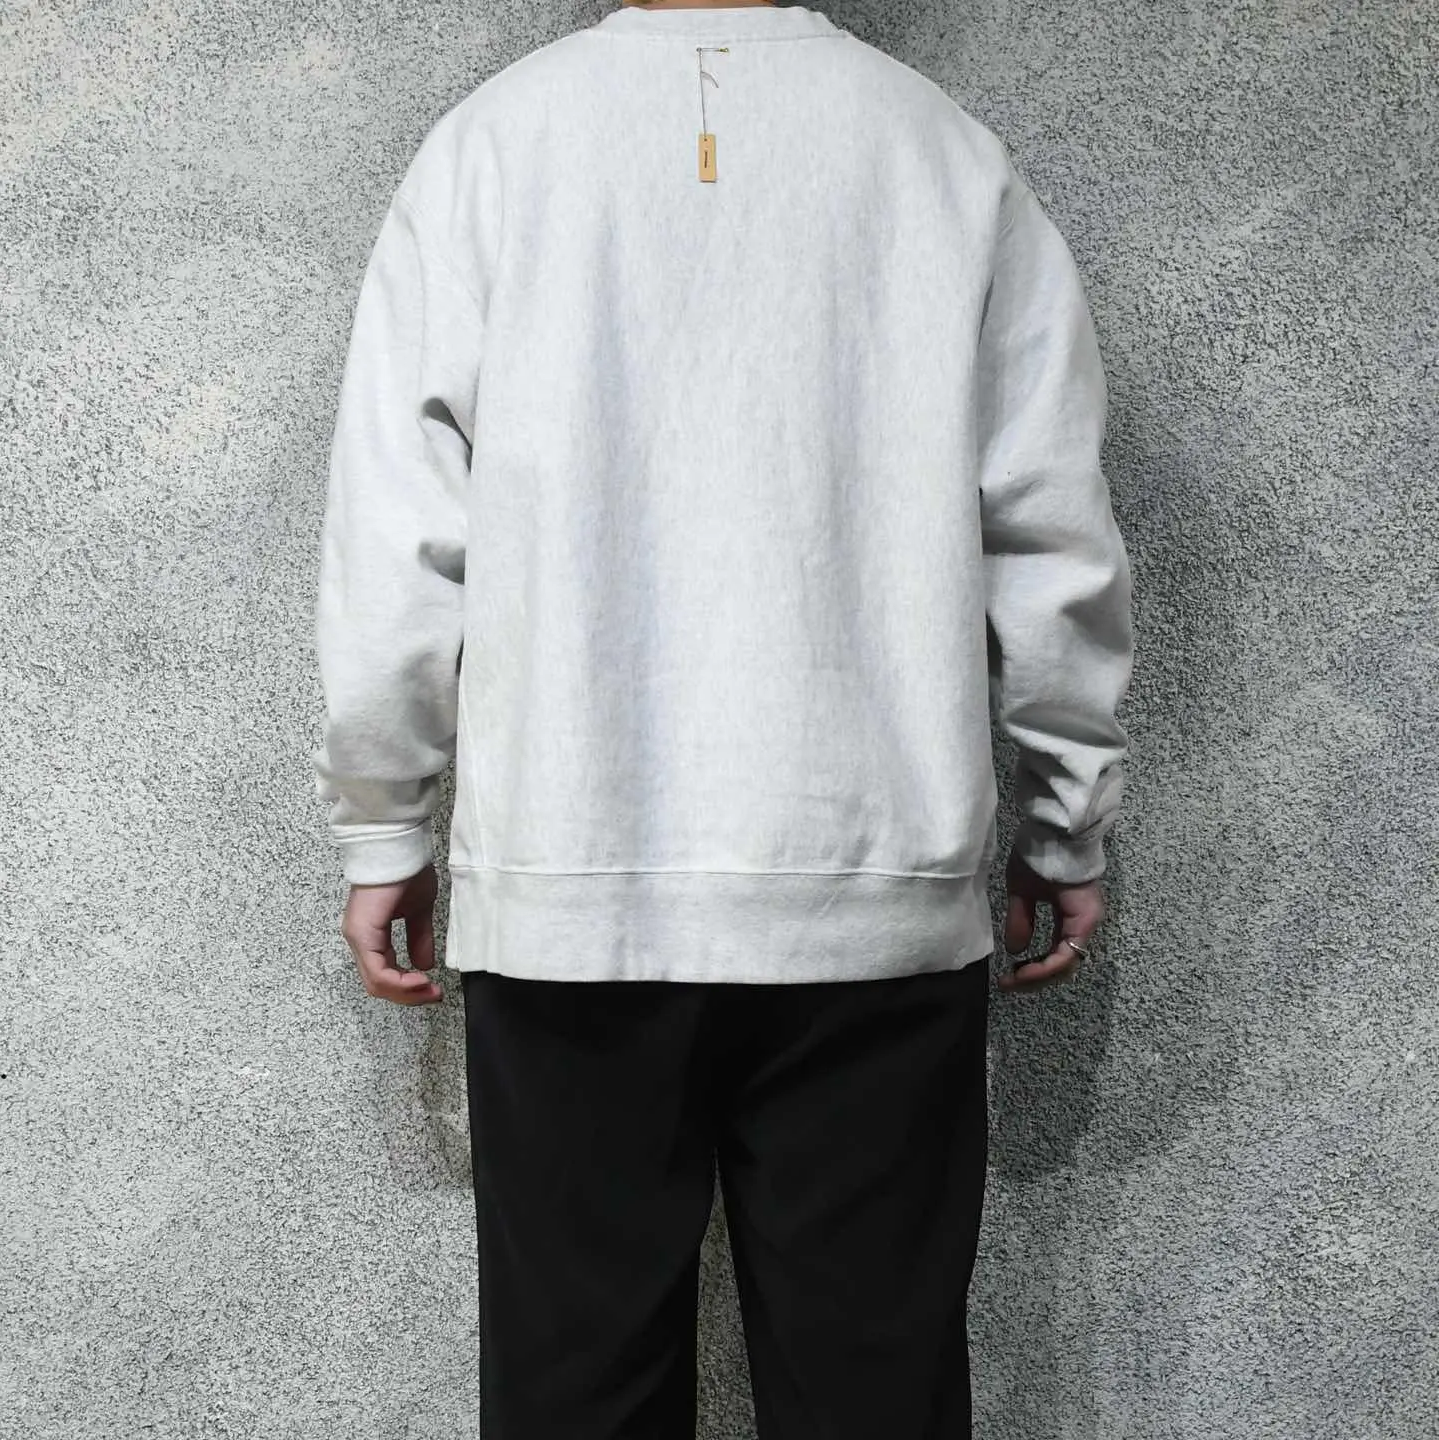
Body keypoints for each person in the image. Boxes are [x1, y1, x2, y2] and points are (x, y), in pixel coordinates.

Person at [311, 1, 1134, 1435]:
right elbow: (1052, 529)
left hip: (575, 895)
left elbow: (398, 539)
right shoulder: (939, 153)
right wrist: (1065, 821)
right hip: (876, 892)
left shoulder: (493, 148)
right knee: (876, 1397)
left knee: (575, 1397)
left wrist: (385, 818)